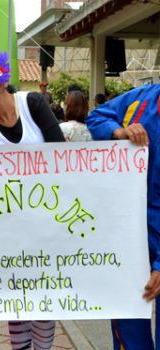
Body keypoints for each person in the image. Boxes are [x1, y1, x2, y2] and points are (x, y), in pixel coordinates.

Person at [0, 29, 65, 350]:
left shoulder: (32, 102)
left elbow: (61, 156)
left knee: (44, 296)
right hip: (6, 225)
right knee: (17, 296)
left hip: (47, 218)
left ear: (6, 75)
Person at [85, 84, 159, 350]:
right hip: (130, 235)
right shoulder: (140, 100)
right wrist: (118, 131)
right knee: (129, 327)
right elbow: (96, 117)